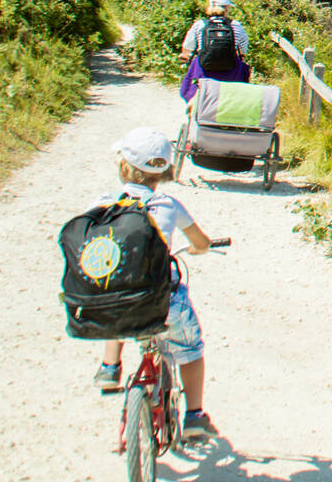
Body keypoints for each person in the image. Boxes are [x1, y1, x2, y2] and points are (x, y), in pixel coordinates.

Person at [91, 128, 220, 441]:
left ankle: (110, 367)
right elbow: (201, 242)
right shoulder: (169, 205)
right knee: (190, 349)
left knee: (118, 300)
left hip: (119, 299)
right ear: (164, 171)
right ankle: (194, 415)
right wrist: (199, 248)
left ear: (124, 167)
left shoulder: (104, 202)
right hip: (163, 301)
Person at [179, 0, 250, 101]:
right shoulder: (236, 26)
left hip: (204, 70)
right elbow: (243, 51)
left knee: (190, 89)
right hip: (230, 69)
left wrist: (185, 57)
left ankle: (193, 104)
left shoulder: (199, 25)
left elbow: (187, 48)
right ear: (227, 8)